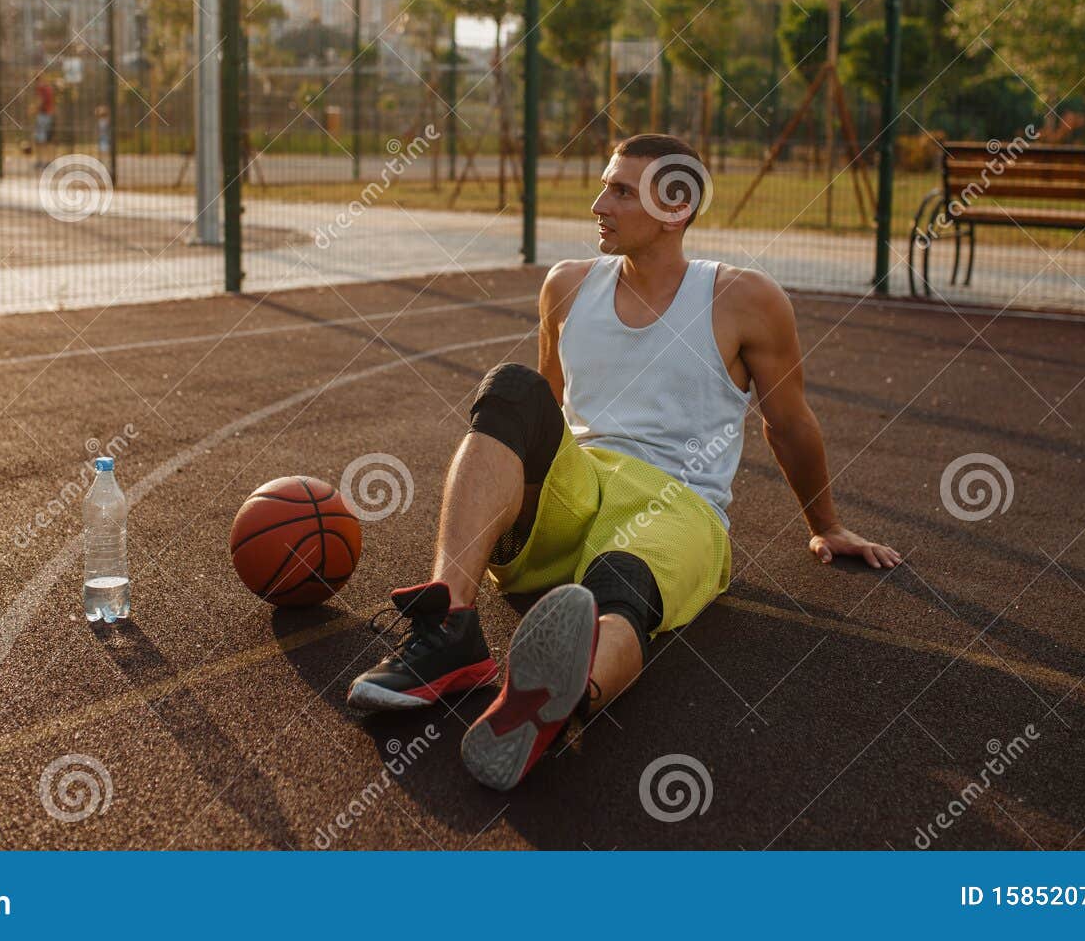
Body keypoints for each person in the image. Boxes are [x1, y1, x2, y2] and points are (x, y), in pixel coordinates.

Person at [347, 132, 903, 791]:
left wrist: (825, 523)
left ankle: (560, 697)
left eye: (619, 191)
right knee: (511, 388)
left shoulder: (745, 299)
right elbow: (542, 412)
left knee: (622, 581)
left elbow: (790, 424)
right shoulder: (567, 285)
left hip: (678, 506)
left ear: (675, 207)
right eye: (604, 184)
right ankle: (451, 627)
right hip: (578, 490)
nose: (596, 204)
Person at [32, 78, 56, 168]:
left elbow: (41, 101)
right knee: (46, 139)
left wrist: (34, 109)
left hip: (43, 115)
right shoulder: (48, 88)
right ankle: (47, 160)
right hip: (48, 115)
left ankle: (42, 161)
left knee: (40, 139)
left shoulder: (41, 88)